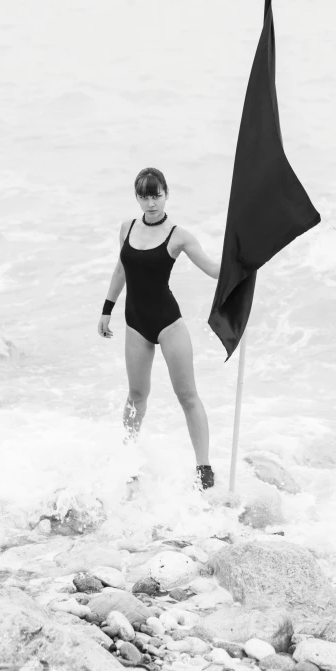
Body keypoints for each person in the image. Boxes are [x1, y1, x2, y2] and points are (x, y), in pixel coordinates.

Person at [98, 167, 220, 489]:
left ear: (166, 194)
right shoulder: (127, 228)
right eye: (144, 196)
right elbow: (121, 271)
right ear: (137, 197)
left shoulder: (179, 235)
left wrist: (245, 264)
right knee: (137, 395)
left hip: (168, 322)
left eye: (157, 195)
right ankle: (128, 459)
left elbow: (212, 269)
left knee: (187, 396)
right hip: (135, 323)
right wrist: (106, 311)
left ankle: (204, 468)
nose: (151, 203)